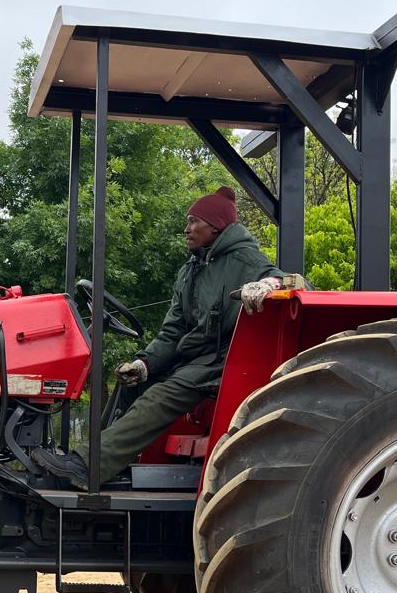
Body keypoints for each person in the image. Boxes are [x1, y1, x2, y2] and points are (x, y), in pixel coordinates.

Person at [34, 186, 287, 490]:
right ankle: (92, 461)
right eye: (188, 221)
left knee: (160, 395)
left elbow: (287, 279)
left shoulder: (245, 260)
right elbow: (173, 330)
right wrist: (145, 363)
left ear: (216, 226)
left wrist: (270, 284)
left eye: (195, 221)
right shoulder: (190, 271)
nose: (187, 228)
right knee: (130, 386)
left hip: (223, 362)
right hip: (194, 360)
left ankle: (89, 466)